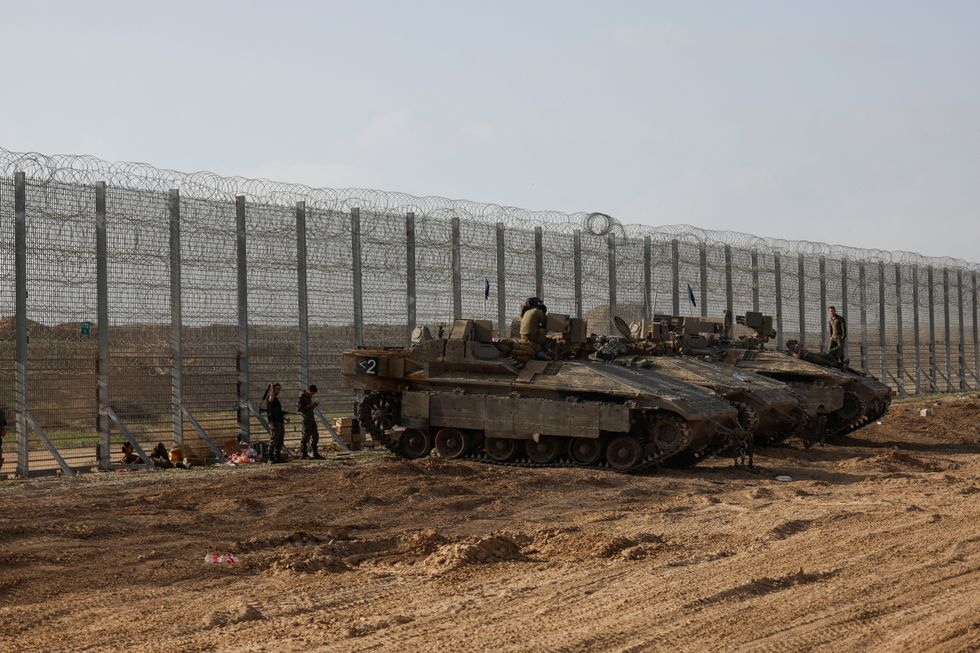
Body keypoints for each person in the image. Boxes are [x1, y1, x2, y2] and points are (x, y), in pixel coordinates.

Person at [298, 384, 322, 460]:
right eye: (312, 393)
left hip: (311, 417)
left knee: (315, 435)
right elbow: (300, 408)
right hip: (306, 418)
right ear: (308, 391)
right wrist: (310, 405)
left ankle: (315, 452)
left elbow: (308, 407)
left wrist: (313, 406)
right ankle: (303, 453)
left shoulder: (308, 396)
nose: (312, 395)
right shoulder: (302, 397)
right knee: (306, 436)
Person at [265, 383, 286, 463]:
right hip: (274, 422)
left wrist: (284, 418)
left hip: (279, 421)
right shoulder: (271, 398)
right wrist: (271, 388)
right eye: (276, 389)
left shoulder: (276, 400)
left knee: (280, 440)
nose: (278, 390)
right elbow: (271, 397)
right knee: (273, 439)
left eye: (279, 389)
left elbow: (278, 411)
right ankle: (270, 457)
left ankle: (277, 456)